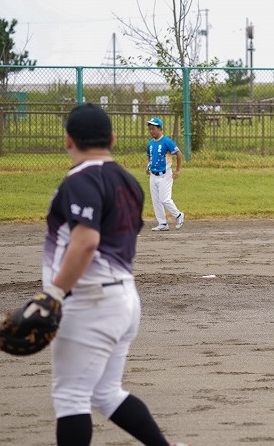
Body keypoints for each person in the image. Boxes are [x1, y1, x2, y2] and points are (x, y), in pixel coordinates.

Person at [37, 103, 189, 446]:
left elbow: (86, 241)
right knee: (105, 392)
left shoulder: (80, 179)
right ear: (113, 139)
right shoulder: (128, 181)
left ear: (68, 140)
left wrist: (54, 293)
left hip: (88, 300)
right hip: (123, 299)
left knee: (71, 396)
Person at [145, 117, 185, 231]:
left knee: (164, 199)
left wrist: (177, 170)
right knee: (156, 200)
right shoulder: (150, 143)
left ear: (160, 129)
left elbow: (179, 154)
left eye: (153, 128)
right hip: (153, 175)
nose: (151, 131)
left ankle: (178, 215)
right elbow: (150, 156)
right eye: (150, 129)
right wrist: (148, 166)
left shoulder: (167, 142)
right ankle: (162, 223)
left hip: (165, 174)